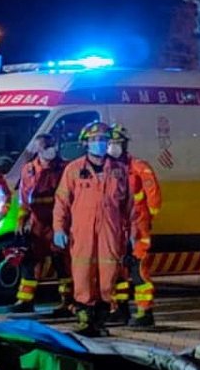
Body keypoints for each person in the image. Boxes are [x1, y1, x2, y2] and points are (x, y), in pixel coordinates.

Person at [52, 122, 131, 337]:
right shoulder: (74, 170)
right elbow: (62, 201)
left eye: (103, 140)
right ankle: (85, 320)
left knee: (107, 278)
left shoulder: (119, 171)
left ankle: (100, 320)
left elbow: (129, 206)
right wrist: (59, 228)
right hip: (82, 233)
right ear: (86, 143)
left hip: (110, 233)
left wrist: (132, 233)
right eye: (95, 140)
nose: (100, 143)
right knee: (82, 275)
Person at [107, 125, 163, 327]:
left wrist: (147, 218)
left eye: (117, 143)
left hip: (137, 224)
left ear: (125, 144)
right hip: (116, 226)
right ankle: (119, 309)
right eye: (110, 143)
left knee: (138, 269)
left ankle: (145, 312)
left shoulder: (138, 166)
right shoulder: (107, 168)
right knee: (117, 269)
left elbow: (153, 194)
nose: (114, 146)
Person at [9, 131, 69, 315]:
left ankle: (68, 301)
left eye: (51, 146)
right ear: (37, 149)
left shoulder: (65, 168)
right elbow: (23, 198)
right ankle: (26, 300)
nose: (50, 150)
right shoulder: (29, 169)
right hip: (37, 223)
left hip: (58, 222)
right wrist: (21, 220)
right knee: (30, 261)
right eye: (45, 147)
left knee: (62, 262)